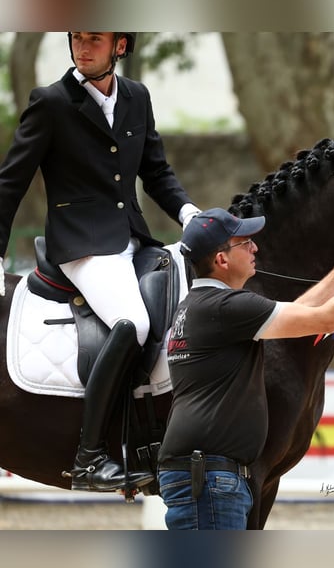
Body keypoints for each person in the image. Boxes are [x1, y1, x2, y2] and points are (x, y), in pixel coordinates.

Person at [0, 32, 201, 492]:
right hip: (82, 247)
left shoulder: (136, 96)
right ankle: (89, 456)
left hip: (135, 238)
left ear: (120, 46)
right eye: (77, 40)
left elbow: (156, 173)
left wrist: (189, 213)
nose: (82, 48)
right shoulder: (51, 102)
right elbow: (10, 182)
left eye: (95, 40)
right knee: (133, 322)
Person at [157, 207, 334, 530]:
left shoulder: (203, 304)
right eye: (244, 242)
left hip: (205, 474)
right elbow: (327, 319)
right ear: (221, 260)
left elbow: (302, 310)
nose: (254, 248)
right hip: (211, 477)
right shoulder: (227, 308)